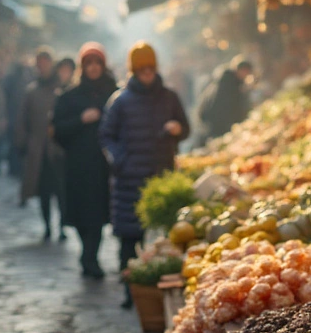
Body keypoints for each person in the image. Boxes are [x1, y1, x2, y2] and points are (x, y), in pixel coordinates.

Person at [99, 42, 189, 308]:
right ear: (134, 70)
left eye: (150, 67)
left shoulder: (169, 97)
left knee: (167, 239)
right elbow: (106, 136)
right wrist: (120, 162)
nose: (147, 72)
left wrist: (177, 129)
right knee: (130, 237)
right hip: (130, 179)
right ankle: (131, 290)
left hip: (163, 177)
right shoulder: (120, 101)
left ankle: (164, 290)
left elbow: (186, 127)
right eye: (142, 68)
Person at [53, 43, 119, 279]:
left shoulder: (114, 93)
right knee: (81, 214)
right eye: (88, 63)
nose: (93, 68)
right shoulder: (70, 96)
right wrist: (81, 119)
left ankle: (90, 257)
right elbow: (58, 130)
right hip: (78, 164)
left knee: (98, 215)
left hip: (104, 165)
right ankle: (86, 252)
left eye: (96, 63)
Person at [16, 48, 65, 240]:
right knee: (44, 191)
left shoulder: (60, 88)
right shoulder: (32, 91)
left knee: (61, 191)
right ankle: (47, 226)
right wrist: (22, 143)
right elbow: (23, 119)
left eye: (45, 62)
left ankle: (62, 226)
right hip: (39, 149)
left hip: (58, 149)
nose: (42, 66)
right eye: (40, 63)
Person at [196, 56, 254, 145]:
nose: (246, 75)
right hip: (219, 127)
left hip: (218, 125)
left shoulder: (231, 82)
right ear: (240, 70)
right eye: (246, 72)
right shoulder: (228, 84)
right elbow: (226, 107)